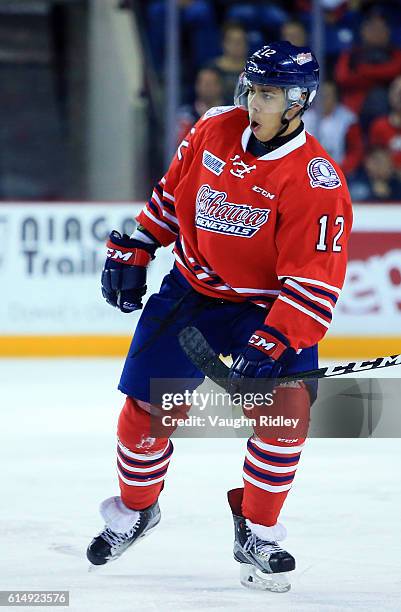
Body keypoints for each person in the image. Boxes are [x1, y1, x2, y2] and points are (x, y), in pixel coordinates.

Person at [86, 42, 352, 592]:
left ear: (298, 103)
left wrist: (273, 342)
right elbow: (170, 196)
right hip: (194, 292)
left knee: (285, 419)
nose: (256, 101)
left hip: (268, 306)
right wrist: (140, 244)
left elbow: (315, 282)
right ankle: (136, 510)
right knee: (145, 407)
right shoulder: (214, 128)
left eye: (270, 93)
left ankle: (257, 529)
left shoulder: (316, 182)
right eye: (253, 88)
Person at [335, 11, 401, 126]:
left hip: (391, 113)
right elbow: (342, 78)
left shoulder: (396, 53)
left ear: (388, 32)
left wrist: (363, 72)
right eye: (373, 29)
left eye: (381, 29)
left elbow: (395, 70)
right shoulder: (351, 54)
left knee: (378, 95)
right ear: (363, 31)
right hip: (353, 111)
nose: (377, 33)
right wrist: (379, 78)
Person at [303, 80, 364, 176]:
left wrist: (341, 170)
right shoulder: (304, 117)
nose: (322, 100)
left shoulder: (347, 119)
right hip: (306, 170)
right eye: (320, 96)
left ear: (335, 98)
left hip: (339, 171)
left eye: (327, 96)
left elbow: (355, 151)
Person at [176, 67, 225, 143]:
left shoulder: (229, 113)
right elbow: (180, 145)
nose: (207, 87)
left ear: (220, 86)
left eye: (211, 83)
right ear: (197, 86)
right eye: (204, 83)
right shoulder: (186, 115)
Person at [208, 21, 248, 104]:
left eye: (240, 41)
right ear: (224, 43)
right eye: (233, 41)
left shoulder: (253, 70)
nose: (237, 45)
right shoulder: (211, 68)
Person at [369, 75, 401, 179]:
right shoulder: (379, 126)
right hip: (387, 180)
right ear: (390, 95)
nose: (399, 96)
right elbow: (374, 159)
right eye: (396, 92)